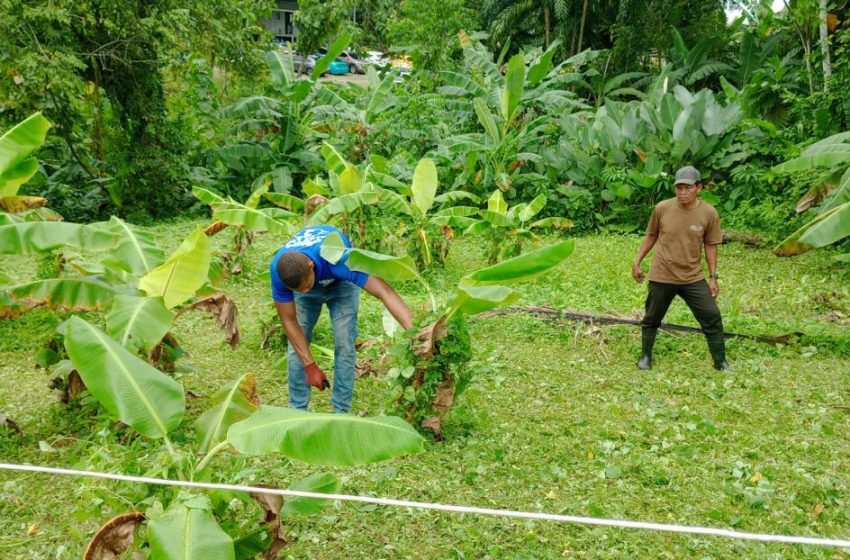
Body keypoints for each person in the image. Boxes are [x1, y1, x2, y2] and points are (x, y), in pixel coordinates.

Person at [270, 225, 413, 412]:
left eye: (305, 286)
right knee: (297, 344)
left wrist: (416, 332)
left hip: (341, 283)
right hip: (307, 275)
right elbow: (289, 321)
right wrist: (310, 366)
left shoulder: (339, 259)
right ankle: (297, 410)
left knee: (345, 342)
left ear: (310, 266)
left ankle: (340, 411)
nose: (304, 291)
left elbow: (384, 291)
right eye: (298, 290)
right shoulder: (279, 272)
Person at [631, 166, 730, 371]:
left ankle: (720, 361)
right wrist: (637, 261)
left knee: (711, 316)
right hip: (662, 274)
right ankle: (645, 356)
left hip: (692, 277)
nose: (682, 192)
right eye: (679, 188)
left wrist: (713, 277)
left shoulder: (709, 213)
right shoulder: (662, 208)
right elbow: (651, 235)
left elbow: (711, 245)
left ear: (698, 187)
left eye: (687, 187)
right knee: (651, 318)